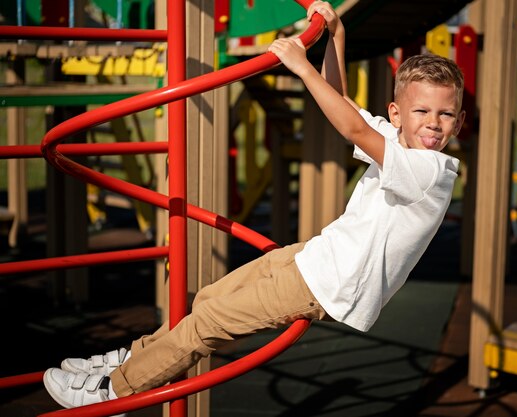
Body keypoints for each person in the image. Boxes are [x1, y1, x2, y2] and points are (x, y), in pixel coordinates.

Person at [43, 0, 465, 410]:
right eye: (422, 110)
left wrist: (300, 65)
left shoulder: (432, 171)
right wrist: (337, 35)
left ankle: (116, 391)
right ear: (396, 114)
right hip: (316, 256)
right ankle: (135, 359)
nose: (433, 122)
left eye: (446, 114)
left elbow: (352, 126)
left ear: (459, 121)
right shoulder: (396, 141)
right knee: (209, 299)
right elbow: (340, 100)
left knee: (209, 323)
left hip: (331, 284)